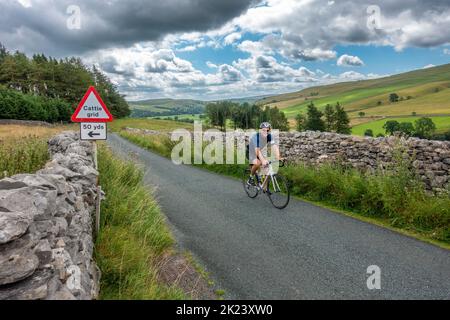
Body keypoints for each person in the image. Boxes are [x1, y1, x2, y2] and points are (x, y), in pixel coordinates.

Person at [247, 122, 283, 187]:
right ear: (260, 130)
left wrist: (278, 157)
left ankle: (264, 187)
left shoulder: (269, 136)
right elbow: (257, 150)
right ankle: (251, 178)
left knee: (267, 167)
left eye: (267, 130)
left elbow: (274, 146)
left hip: (259, 151)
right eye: (263, 130)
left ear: (269, 130)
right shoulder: (256, 137)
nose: (265, 132)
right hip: (251, 151)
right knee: (258, 163)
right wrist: (263, 160)